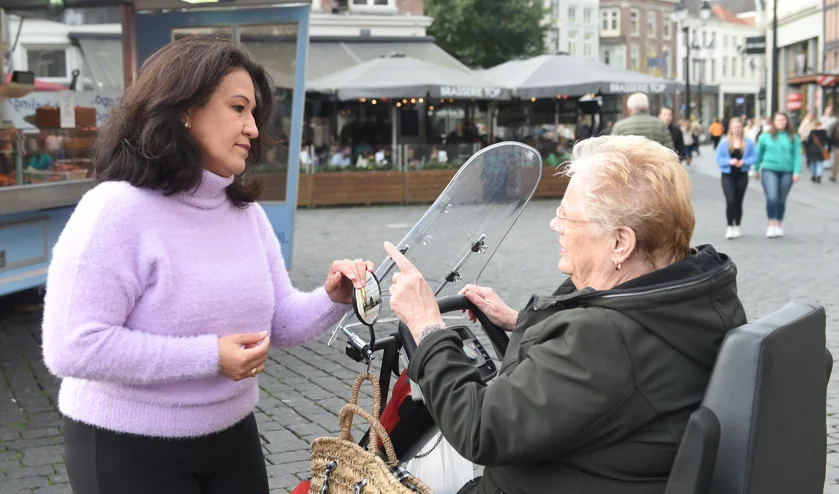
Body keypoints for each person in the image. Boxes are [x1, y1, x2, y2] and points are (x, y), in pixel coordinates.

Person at [41, 36, 374, 494]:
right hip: (128, 446)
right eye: (238, 108)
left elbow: (276, 321)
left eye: (254, 112)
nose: (253, 128)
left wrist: (335, 297)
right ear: (183, 110)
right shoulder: (114, 210)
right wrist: (210, 357)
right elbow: (72, 347)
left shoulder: (245, 213)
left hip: (233, 436)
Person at [385, 135, 746, 494]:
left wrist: (427, 326)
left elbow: (480, 430)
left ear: (620, 242)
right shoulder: (693, 291)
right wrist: (515, 320)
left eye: (567, 216)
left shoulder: (603, 340)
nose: (555, 225)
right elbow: (607, 371)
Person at [754, 112, 801, 238]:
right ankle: (771, 224)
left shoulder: (793, 137)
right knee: (772, 196)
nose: (781, 122)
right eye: (778, 120)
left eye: (783, 120)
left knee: (781, 199)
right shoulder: (765, 136)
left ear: (787, 122)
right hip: (769, 169)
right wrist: (755, 168)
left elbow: (797, 155)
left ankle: (779, 224)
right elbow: (759, 153)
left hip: (787, 171)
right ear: (774, 122)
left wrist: (797, 171)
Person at [715, 117, 757, 239]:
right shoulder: (724, 142)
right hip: (728, 175)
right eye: (734, 127)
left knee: (739, 201)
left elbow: (754, 157)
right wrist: (730, 161)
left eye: (738, 127)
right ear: (730, 129)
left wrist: (744, 162)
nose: (736, 130)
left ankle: (737, 224)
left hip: (742, 175)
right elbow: (718, 159)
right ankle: (729, 226)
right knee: (730, 200)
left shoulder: (748, 142)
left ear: (741, 128)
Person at [609, 93, 675, 151]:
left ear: (629, 109)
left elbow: (612, 152)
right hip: (655, 164)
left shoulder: (619, 127)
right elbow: (670, 151)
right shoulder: (660, 125)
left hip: (628, 164)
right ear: (647, 108)